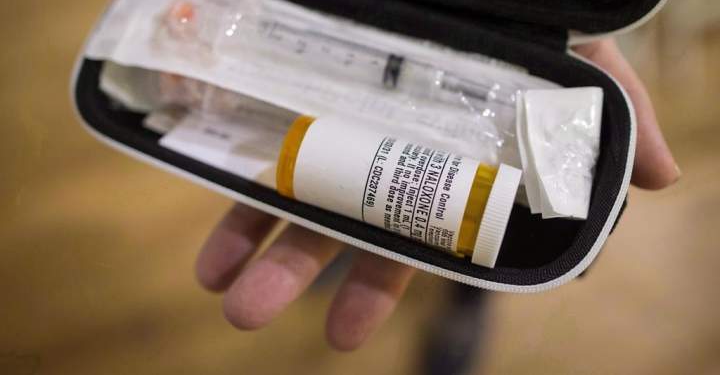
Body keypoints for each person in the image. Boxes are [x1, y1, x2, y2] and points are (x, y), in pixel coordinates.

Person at [194, 38, 681, 356]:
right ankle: (347, 238)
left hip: (490, 188)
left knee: (483, 236)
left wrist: (573, 30)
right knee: (360, 196)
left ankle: (468, 296)